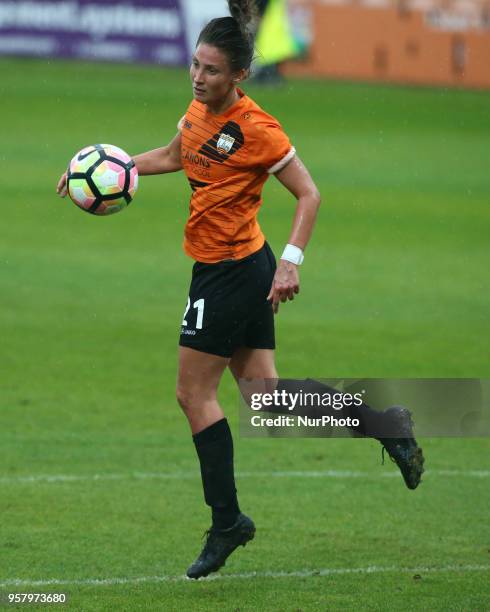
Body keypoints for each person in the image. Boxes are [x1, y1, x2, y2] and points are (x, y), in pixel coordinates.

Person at [56, 0, 424, 580]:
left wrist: (292, 264)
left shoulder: (257, 128)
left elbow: (310, 194)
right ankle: (385, 425)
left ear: (239, 76)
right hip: (236, 268)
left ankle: (227, 521)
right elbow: (176, 155)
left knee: (192, 395)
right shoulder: (198, 110)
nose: (199, 78)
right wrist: (105, 167)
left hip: (233, 272)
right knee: (265, 399)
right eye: (196, 66)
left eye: (211, 71)